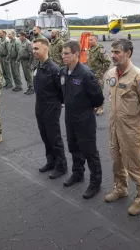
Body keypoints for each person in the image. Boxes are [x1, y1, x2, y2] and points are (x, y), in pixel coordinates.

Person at [104, 39, 140, 216]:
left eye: (117, 52)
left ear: (128, 53)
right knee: (116, 160)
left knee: (133, 164)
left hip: (131, 128)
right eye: (112, 52)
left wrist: (136, 120)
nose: (113, 55)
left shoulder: (138, 76)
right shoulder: (111, 73)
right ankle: (121, 188)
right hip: (114, 127)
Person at [60, 40, 104, 199]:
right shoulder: (63, 72)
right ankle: (78, 173)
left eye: (66, 53)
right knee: (73, 147)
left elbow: (98, 99)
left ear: (76, 54)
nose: (63, 56)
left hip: (84, 120)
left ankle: (95, 183)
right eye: (62, 53)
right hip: (70, 118)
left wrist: (85, 108)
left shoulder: (86, 74)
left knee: (90, 151)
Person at [33, 38, 68, 179]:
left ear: (45, 49)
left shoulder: (54, 69)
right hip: (39, 106)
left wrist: (58, 103)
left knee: (54, 137)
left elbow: (62, 90)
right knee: (45, 136)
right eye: (33, 48)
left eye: (36, 48)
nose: (34, 51)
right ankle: (51, 161)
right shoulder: (38, 66)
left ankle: (61, 166)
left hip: (51, 106)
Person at [86, 34, 111, 116]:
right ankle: (95, 106)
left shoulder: (100, 50)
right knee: (92, 91)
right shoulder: (90, 50)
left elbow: (107, 62)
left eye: (91, 40)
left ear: (96, 40)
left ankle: (100, 108)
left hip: (98, 75)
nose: (89, 41)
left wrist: (102, 72)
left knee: (99, 92)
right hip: (90, 74)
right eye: (89, 40)